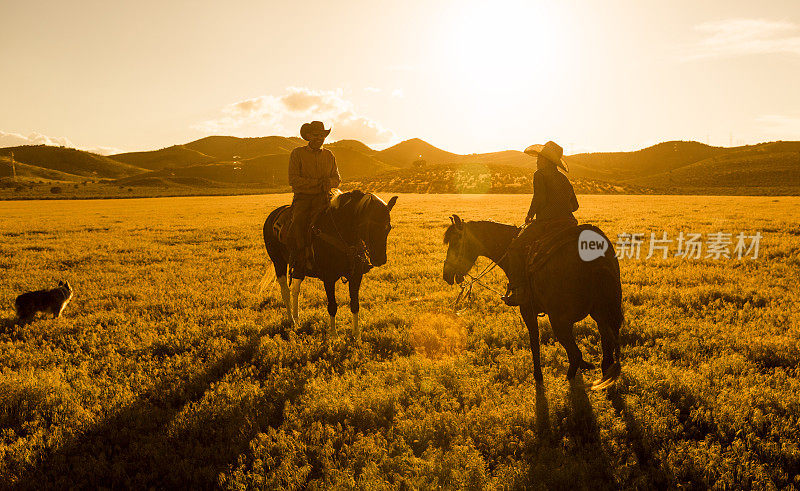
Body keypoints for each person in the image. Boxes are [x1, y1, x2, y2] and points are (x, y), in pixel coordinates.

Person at [501, 141, 579, 307]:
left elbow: (540, 198)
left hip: (547, 224)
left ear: (546, 160)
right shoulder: (564, 178)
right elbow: (575, 206)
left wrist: (530, 215)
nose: (537, 161)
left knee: (514, 248)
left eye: (540, 158)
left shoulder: (540, 175)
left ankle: (519, 291)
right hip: (570, 224)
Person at [288, 121, 341, 279]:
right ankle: (299, 260)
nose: (320, 138)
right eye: (316, 135)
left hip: (325, 197)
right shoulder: (297, 154)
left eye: (323, 135)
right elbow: (294, 180)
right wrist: (318, 184)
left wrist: (329, 183)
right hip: (304, 199)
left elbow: (337, 179)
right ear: (308, 136)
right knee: (298, 223)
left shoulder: (329, 155)